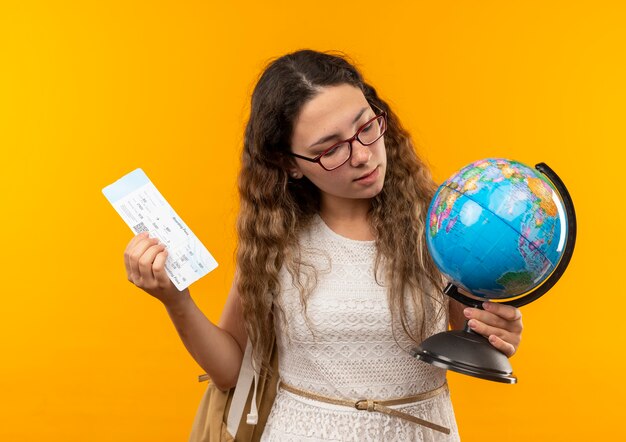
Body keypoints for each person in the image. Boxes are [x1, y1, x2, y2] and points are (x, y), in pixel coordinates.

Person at [123, 49, 523, 441]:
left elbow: (470, 334)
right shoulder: (275, 241)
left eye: (366, 127)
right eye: (330, 150)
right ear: (290, 163)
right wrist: (176, 300)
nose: (364, 156)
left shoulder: (442, 223)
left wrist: (498, 331)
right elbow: (231, 370)